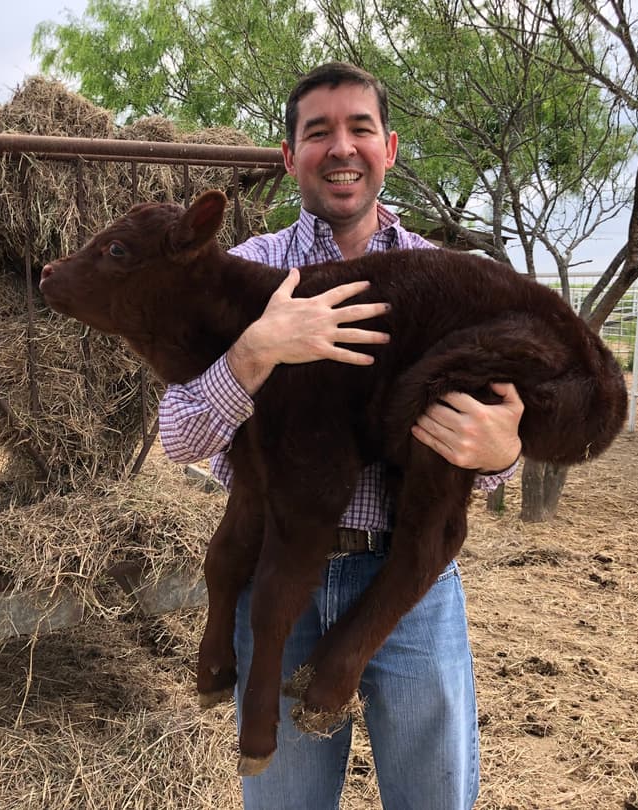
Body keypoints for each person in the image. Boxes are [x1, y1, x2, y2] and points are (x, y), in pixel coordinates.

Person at [158, 62, 524, 810]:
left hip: (408, 589)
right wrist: (259, 348)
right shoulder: (245, 273)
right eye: (317, 131)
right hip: (275, 579)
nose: (342, 147)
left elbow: (491, 447)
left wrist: (504, 454)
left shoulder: (446, 277)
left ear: (388, 148)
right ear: (290, 157)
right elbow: (179, 437)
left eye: (360, 128)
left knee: (434, 799)